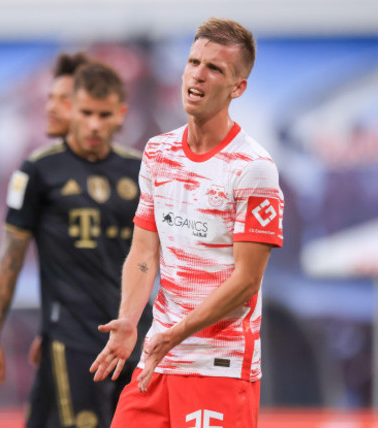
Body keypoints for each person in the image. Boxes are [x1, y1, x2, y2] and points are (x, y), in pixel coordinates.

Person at [91, 18, 284, 428]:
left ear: (238, 88)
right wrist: (129, 320)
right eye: (194, 61)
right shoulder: (159, 153)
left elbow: (246, 282)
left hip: (220, 365)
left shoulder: (254, 169)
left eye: (214, 68)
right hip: (157, 362)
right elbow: (144, 253)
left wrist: (175, 334)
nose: (198, 74)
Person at [0, 57, 152, 428]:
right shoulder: (38, 171)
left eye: (104, 115)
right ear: (74, 109)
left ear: (121, 114)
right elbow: (10, 258)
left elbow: (156, 253)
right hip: (71, 338)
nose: (95, 125)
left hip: (135, 334)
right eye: (86, 112)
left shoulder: (142, 170)